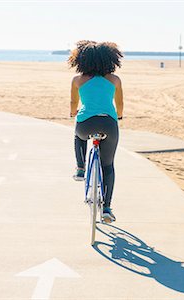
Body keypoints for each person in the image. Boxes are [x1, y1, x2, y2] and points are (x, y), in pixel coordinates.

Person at [68, 40, 124, 223]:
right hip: (109, 124)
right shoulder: (114, 80)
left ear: (81, 61)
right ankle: (106, 208)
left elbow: (73, 104)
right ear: (110, 60)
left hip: (86, 124)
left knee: (78, 135)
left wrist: (72, 112)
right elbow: (120, 105)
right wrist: (120, 116)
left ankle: (80, 168)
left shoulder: (77, 80)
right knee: (108, 166)